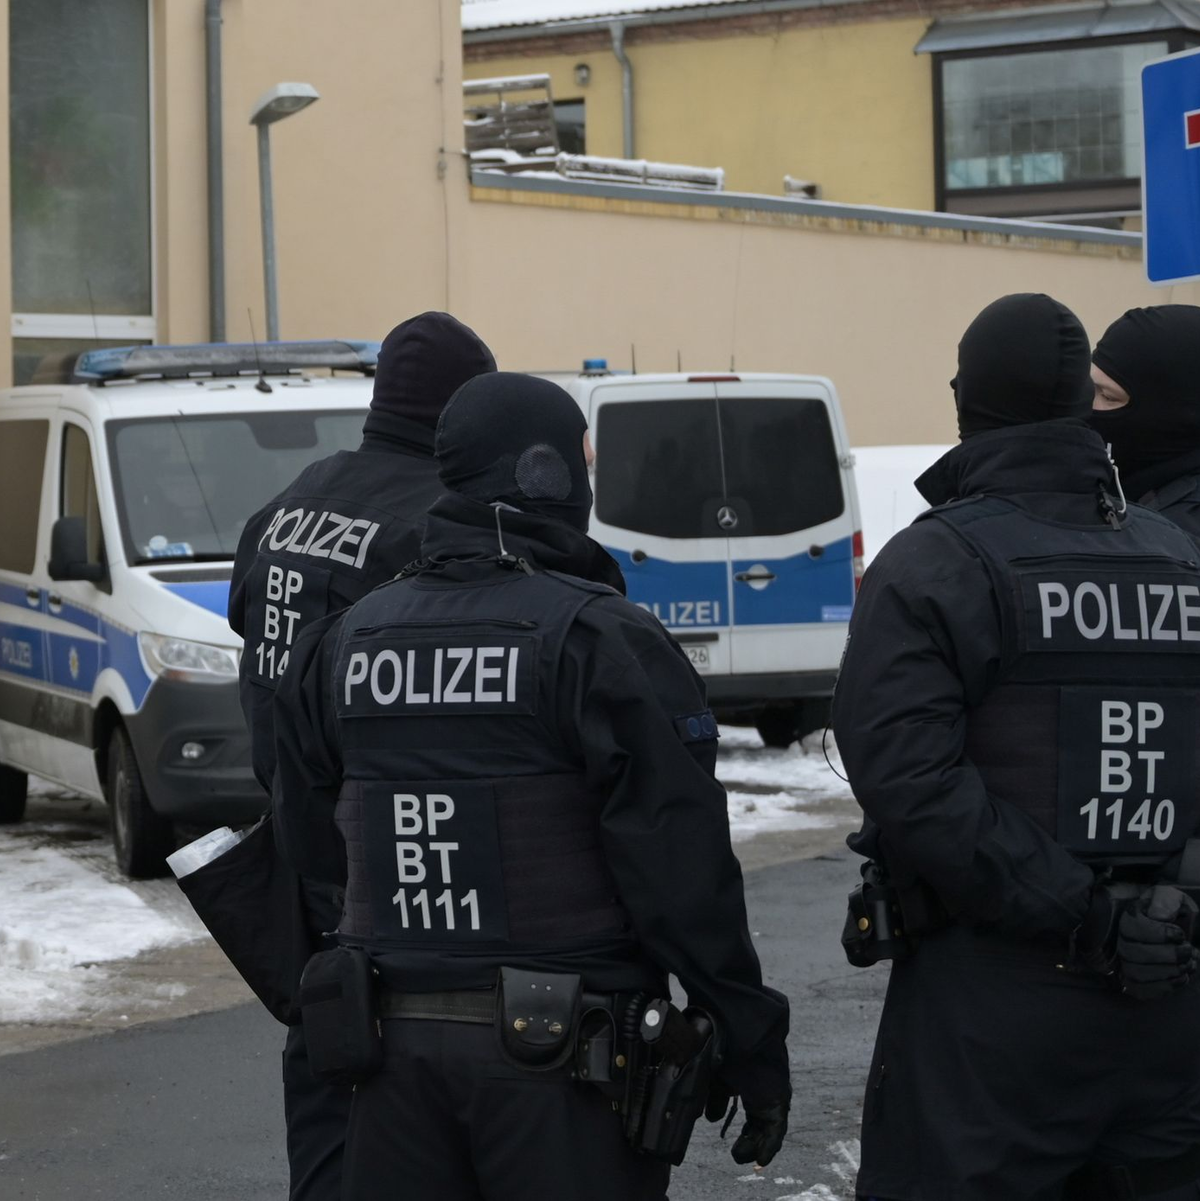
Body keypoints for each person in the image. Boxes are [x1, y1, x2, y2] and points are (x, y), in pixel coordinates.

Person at [271, 371, 792, 1200]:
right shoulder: (598, 640)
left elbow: (305, 840)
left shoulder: (342, 641)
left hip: (387, 1058)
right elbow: (680, 870)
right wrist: (747, 1034)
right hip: (560, 1076)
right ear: (546, 473)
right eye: (583, 459)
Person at [833, 294, 1200, 1201]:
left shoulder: (937, 564)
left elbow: (913, 785)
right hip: (1169, 1003)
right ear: (1081, 403)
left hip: (990, 1015)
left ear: (966, 401)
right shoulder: (1177, 559)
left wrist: (1085, 912)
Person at [225, 312, 497, 1201]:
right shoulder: (428, 522)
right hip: (388, 870)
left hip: (293, 846)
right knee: (400, 1136)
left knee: (323, 1097)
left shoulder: (292, 500)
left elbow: (245, 627)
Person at [1091, 305, 1200, 546]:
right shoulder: (1106, 486)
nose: (1089, 408)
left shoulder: (1183, 536)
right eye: (1089, 389)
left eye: (1108, 397)